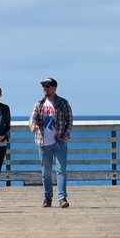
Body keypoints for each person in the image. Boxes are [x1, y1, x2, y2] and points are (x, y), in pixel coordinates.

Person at [28, 77, 73, 208]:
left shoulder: (63, 103)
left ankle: (62, 198)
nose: (45, 89)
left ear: (54, 88)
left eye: (48, 86)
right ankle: (47, 198)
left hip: (59, 141)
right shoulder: (39, 103)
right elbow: (32, 118)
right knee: (45, 172)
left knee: (61, 170)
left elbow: (69, 120)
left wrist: (64, 135)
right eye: (44, 86)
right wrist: (32, 126)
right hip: (43, 142)